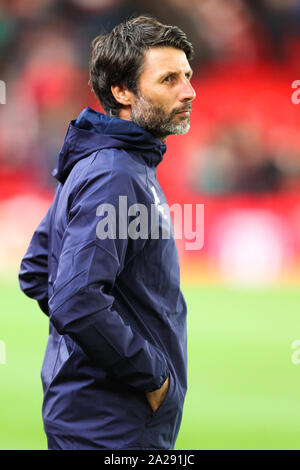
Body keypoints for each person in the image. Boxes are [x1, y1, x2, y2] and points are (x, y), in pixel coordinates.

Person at [18, 15, 196, 450]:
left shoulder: (105, 160)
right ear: (122, 92)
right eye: (169, 79)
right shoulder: (115, 173)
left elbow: (37, 269)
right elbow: (75, 300)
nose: (189, 91)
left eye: (188, 76)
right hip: (111, 427)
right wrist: (151, 376)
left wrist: (88, 354)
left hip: (96, 417)